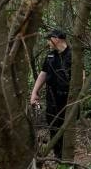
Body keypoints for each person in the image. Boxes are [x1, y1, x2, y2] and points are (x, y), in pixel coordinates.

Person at [30, 29, 72, 160]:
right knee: (53, 126)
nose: (48, 42)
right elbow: (43, 74)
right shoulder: (50, 56)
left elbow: (80, 77)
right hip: (52, 98)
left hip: (67, 99)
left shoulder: (72, 55)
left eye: (49, 39)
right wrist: (34, 92)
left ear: (56, 39)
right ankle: (58, 157)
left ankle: (66, 158)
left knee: (66, 128)